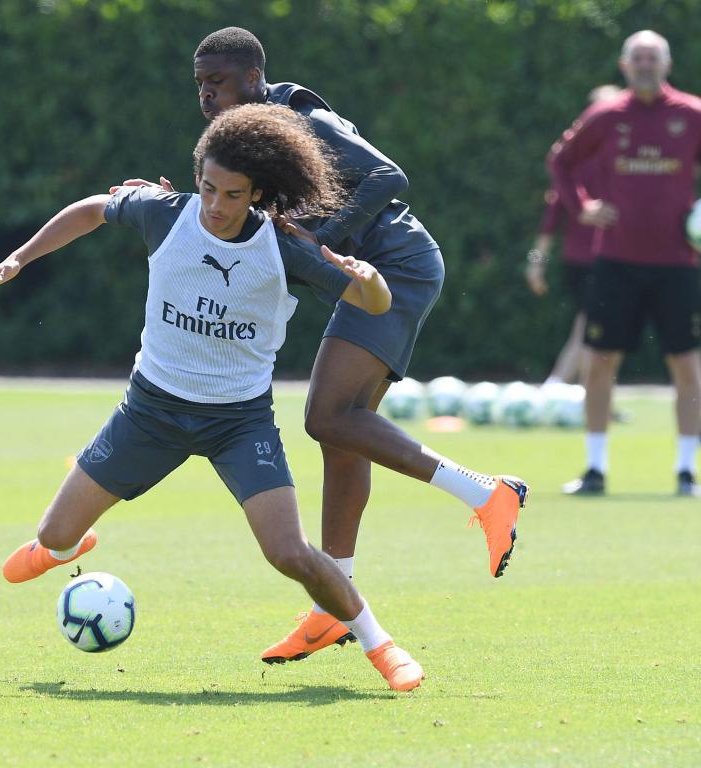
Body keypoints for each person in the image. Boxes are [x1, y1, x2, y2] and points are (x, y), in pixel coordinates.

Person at [0, 104, 427, 691]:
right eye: (207, 187)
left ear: (257, 193)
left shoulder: (287, 248)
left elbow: (373, 305)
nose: (215, 204)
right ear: (196, 177)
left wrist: (371, 280)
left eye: (233, 194)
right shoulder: (163, 212)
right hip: (149, 414)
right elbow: (89, 211)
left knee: (289, 553)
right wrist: (14, 262)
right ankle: (63, 546)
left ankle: (382, 647)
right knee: (53, 537)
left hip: (239, 425)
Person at [181, 27, 528, 664]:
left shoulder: (295, 114)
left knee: (328, 416)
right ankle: (328, 609)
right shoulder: (242, 141)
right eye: (200, 85)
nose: (206, 96)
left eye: (218, 83)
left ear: (255, 78)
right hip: (369, 275)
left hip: (397, 264)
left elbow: (387, 174)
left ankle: (488, 494)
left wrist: (321, 239)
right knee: (340, 435)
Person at [548, 30, 701, 497]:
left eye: (653, 58)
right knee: (599, 363)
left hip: (679, 263)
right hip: (616, 260)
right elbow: (562, 161)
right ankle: (594, 469)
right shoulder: (607, 114)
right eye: (638, 59)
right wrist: (583, 207)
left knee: (688, 367)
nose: (646, 66)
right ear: (624, 65)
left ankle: (686, 471)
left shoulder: (692, 115)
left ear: (667, 64)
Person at [526, 85, 622, 387]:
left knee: (601, 331)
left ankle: (592, 395)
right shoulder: (575, 166)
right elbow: (549, 223)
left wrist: (535, 264)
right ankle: (556, 387)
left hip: (618, 258)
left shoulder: (623, 163)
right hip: (589, 263)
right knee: (587, 328)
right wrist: (536, 263)